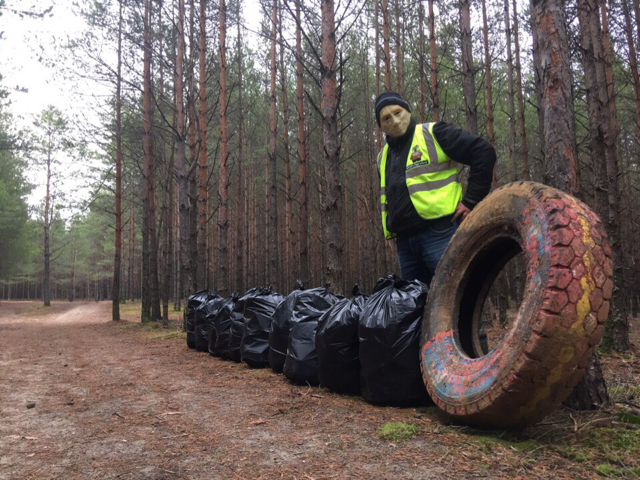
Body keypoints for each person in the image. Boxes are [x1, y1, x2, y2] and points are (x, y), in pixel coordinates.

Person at [375, 91, 496, 287]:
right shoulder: (382, 157)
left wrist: (471, 200)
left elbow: (483, 152)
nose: (395, 121)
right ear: (381, 126)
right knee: (414, 307)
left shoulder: (432, 134)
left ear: (408, 111)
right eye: (386, 118)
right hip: (405, 243)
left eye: (398, 112)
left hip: (440, 232)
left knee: (455, 296)